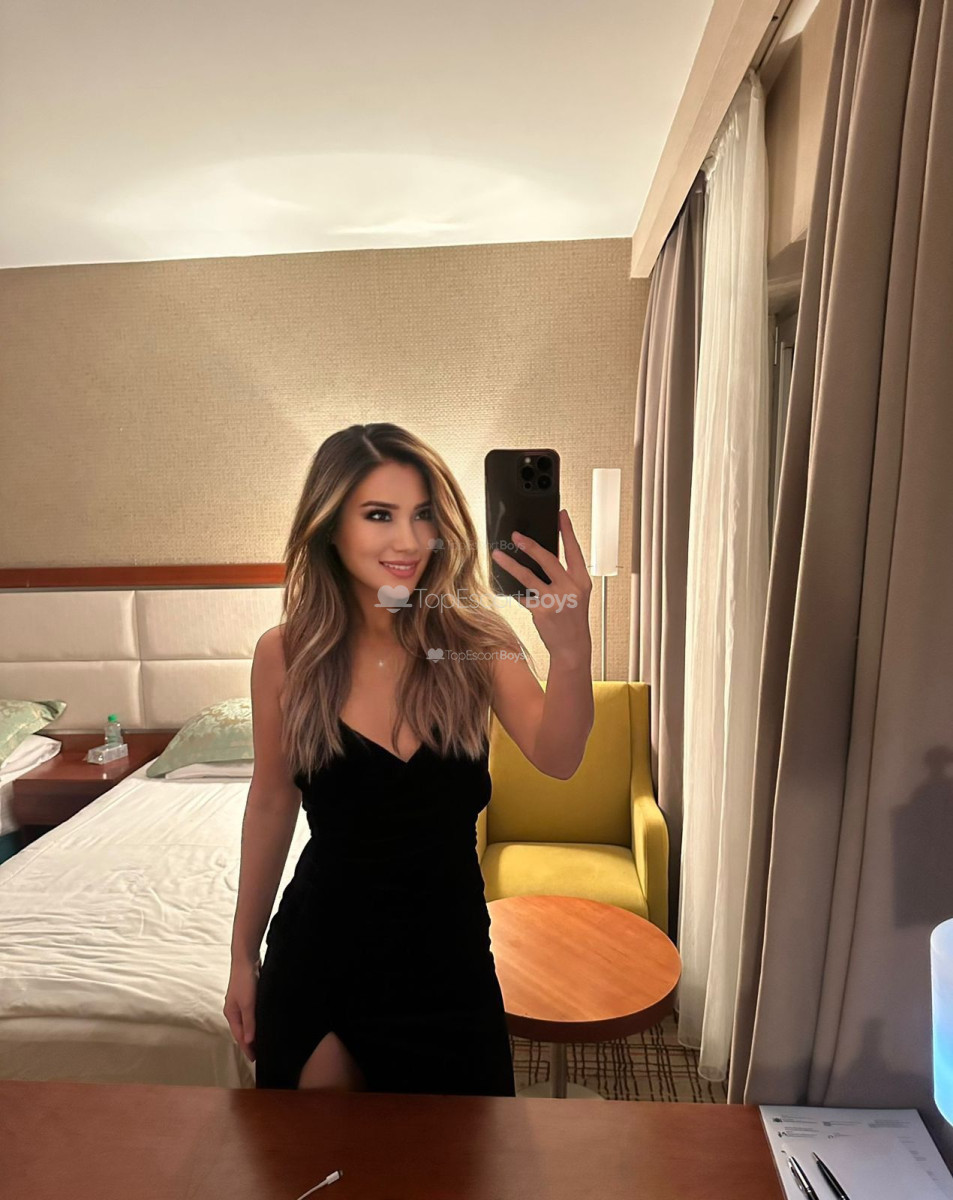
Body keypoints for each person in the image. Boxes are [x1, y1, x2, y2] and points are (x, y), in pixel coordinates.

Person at [224, 423, 594, 1094]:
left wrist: (571, 651)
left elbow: (559, 756)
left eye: (423, 515)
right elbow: (272, 803)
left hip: (447, 962)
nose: (407, 540)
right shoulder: (286, 654)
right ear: (329, 527)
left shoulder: (477, 640)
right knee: (321, 1152)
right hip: (321, 957)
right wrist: (241, 957)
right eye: (378, 515)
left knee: (463, 1154)